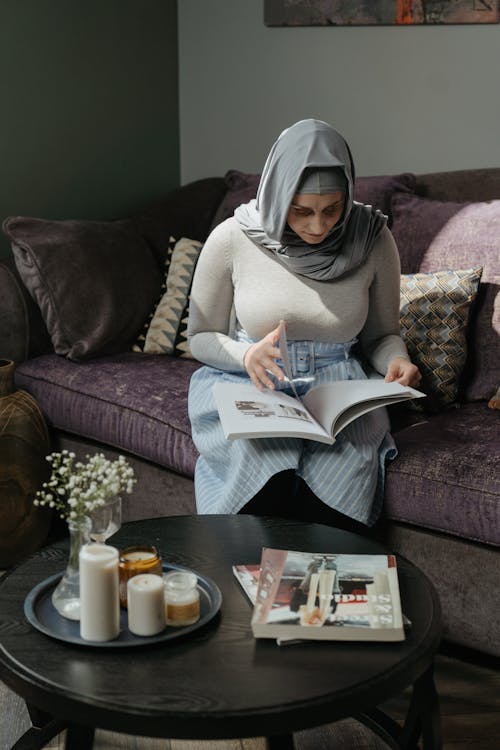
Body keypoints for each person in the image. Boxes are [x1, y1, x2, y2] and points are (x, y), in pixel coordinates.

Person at [187, 118, 421, 532]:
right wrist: (247, 354)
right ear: (278, 195)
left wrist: (397, 360)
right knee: (261, 476)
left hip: (338, 388)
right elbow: (201, 337)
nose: (318, 226)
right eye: (302, 211)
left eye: (333, 209)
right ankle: (245, 582)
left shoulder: (372, 239)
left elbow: (383, 335)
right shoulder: (231, 239)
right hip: (253, 380)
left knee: (340, 494)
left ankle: (321, 588)